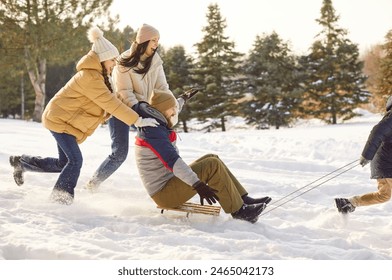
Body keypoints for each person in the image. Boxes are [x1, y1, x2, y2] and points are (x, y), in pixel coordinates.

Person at [9, 26, 158, 205]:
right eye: (112, 60)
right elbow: (110, 103)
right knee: (75, 160)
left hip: (66, 122)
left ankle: (22, 162)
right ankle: (60, 199)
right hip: (58, 120)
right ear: (103, 59)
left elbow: (110, 102)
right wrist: (137, 120)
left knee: (63, 163)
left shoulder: (101, 76)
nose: (114, 64)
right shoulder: (89, 77)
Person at [133, 89, 272, 223]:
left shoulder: (155, 120)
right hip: (164, 193)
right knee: (212, 165)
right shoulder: (153, 133)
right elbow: (173, 162)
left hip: (169, 183)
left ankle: (243, 199)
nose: (175, 111)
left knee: (212, 157)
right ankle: (240, 211)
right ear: (163, 109)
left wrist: (183, 99)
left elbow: (171, 107)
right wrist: (197, 184)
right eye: (172, 108)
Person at [87, 23, 172, 190]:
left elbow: (162, 88)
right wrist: (139, 112)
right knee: (119, 154)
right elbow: (124, 92)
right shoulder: (124, 62)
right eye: (153, 40)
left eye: (158, 40)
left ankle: (168, 184)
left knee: (163, 140)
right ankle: (93, 184)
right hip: (121, 110)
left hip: (143, 109)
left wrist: (170, 105)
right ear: (143, 41)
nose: (156, 44)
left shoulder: (156, 62)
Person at [335, 96, 392, 214]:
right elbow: (377, 131)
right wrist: (367, 154)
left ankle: (349, 203)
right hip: (386, 162)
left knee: (384, 195)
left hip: (384, 161)